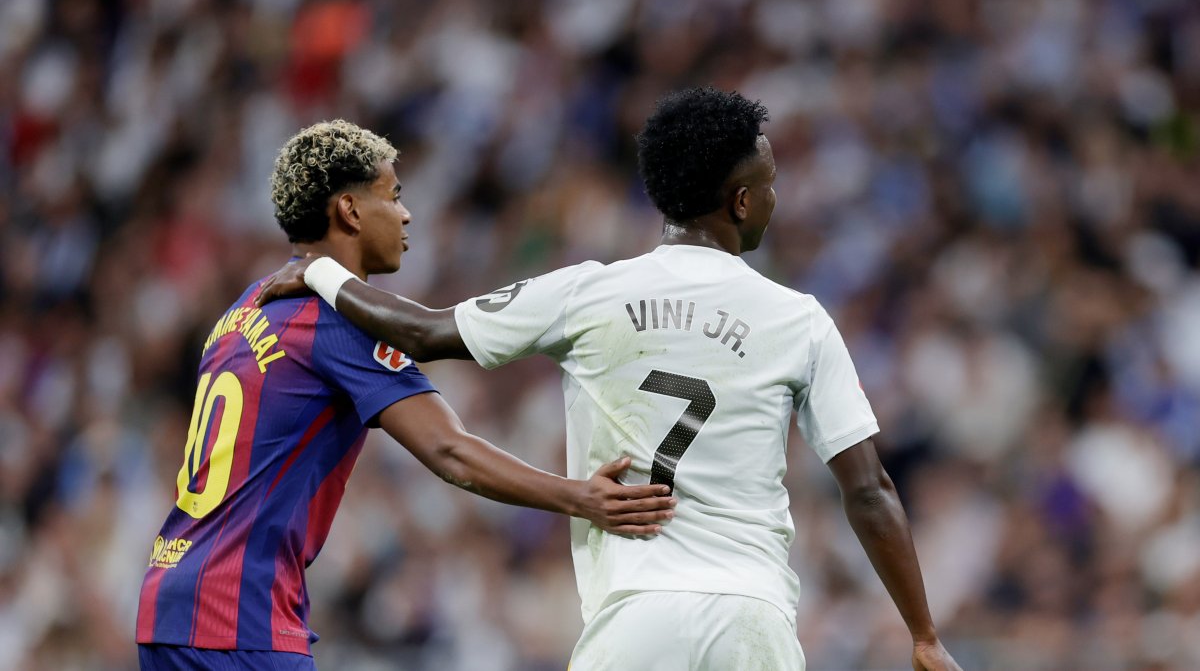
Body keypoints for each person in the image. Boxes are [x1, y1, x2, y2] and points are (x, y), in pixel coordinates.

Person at [259, 90, 961, 670]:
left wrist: (319, 269)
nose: (775, 199)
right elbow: (869, 489)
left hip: (635, 618)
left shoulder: (591, 293)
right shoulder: (798, 319)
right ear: (740, 203)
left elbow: (424, 331)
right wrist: (923, 634)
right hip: (752, 618)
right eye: (769, 185)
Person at [135, 120, 675, 671]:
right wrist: (578, 497)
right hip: (237, 617)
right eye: (392, 196)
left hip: (169, 597)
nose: (406, 213)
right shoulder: (335, 320)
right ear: (349, 210)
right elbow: (449, 450)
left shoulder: (244, 308)